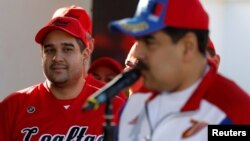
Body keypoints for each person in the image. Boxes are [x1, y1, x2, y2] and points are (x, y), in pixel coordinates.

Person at [109, 0, 250, 140]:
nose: (138, 52)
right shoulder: (134, 106)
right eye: (138, 41)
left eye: (150, 42)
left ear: (187, 47)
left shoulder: (234, 112)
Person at [0, 6, 125, 141]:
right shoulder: (13, 106)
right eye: (49, 50)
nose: (57, 57)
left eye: (67, 49)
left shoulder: (114, 107)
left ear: (85, 54)